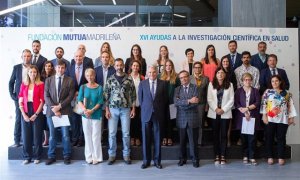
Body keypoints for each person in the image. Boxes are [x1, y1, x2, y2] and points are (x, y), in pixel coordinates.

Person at [104, 58, 136, 165]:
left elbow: (133, 95)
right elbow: (106, 95)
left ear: (123, 66)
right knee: (112, 133)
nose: (119, 67)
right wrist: (107, 110)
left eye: (121, 65)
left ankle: (126, 155)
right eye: (117, 65)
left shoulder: (129, 78)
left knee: (126, 133)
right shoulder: (110, 79)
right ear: (114, 66)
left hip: (126, 109)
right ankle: (111, 155)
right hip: (113, 109)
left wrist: (133, 109)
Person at [261, 75, 297, 166]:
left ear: (280, 82)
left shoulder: (286, 93)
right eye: (272, 81)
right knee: (269, 138)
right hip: (270, 118)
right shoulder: (267, 92)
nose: (274, 83)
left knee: (281, 138)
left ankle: (281, 157)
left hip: (283, 119)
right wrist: (264, 116)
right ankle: (270, 157)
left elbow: (291, 106)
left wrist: (291, 118)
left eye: (276, 81)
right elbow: (263, 105)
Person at [44, 60, 75, 165]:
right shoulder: (48, 80)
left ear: (65, 69)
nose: (60, 69)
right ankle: (51, 156)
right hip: (51, 112)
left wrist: (60, 107)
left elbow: (70, 96)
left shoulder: (70, 80)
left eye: (62, 68)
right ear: (55, 68)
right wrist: (54, 109)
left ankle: (67, 156)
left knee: (65, 135)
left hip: (64, 112)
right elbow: (46, 96)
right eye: (58, 67)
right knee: (52, 136)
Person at [138, 65, 169, 169]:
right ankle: (146, 161)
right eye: (150, 72)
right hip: (146, 114)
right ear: (147, 73)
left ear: (157, 72)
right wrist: (146, 109)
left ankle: (157, 161)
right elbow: (141, 99)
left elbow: (165, 100)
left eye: (154, 72)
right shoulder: (142, 84)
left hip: (158, 114)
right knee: (145, 138)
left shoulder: (163, 84)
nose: (152, 74)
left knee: (157, 138)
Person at [207, 67, 234, 165]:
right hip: (214, 113)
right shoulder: (211, 84)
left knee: (223, 135)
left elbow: (232, 99)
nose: (220, 74)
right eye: (218, 72)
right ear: (216, 74)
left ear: (225, 74)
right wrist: (216, 109)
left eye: (222, 73)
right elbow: (209, 99)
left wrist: (223, 109)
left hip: (225, 113)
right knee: (215, 135)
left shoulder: (230, 85)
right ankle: (216, 155)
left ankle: (223, 155)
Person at [18, 65, 44, 165]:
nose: (33, 74)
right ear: (28, 73)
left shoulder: (41, 84)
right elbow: (20, 98)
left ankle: (37, 156)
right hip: (25, 109)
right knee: (26, 135)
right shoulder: (24, 84)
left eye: (34, 72)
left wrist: (36, 114)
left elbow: (42, 101)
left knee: (37, 135)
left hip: (37, 109)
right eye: (31, 72)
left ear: (37, 73)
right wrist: (23, 114)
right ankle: (27, 157)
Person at [174, 70, 200, 168]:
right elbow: (176, 103)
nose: (183, 79)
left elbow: (196, 103)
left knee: (193, 142)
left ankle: (195, 160)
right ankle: (182, 159)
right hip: (181, 119)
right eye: (181, 78)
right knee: (182, 142)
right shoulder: (177, 89)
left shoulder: (195, 88)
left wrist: (182, 103)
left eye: (185, 77)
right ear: (179, 79)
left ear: (188, 77)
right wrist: (189, 101)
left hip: (192, 118)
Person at [78, 68, 104, 165]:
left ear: (94, 75)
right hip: (85, 115)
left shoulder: (100, 87)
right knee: (87, 136)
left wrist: (92, 110)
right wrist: (85, 110)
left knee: (96, 136)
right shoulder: (83, 87)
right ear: (85, 76)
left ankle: (97, 157)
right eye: (88, 75)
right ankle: (89, 157)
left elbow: (100, 102)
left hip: (96, 114)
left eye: (91, 75)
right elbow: (79, 100)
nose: (90, 77)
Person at [234, 73, 261, 165]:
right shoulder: (238, 91)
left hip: (253, 116)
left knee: (252, 138)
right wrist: (243, 111)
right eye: (245, 79)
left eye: (249, 79)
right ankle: (245, 156)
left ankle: (252, 156)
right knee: (244, 138)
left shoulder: (255, 91)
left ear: (251, 80)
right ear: (242, 81)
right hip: (242, 117)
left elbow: (257, 102)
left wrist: (248, 109)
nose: (247, 81)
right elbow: (236, 103)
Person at [9, 49, 32, 147]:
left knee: (30, 118)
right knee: (19, 118)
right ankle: (17, 140)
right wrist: (13, 95)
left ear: (31, 57)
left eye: (28, 56)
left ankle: (30, 140)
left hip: (31, 97)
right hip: (19, 97)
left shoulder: (34, 68)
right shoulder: (17, 68)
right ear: (22, 57)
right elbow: (11, 82)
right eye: (25, 56)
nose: (26, 58)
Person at [158, 59, 180, 146]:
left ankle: (170, 137)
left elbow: (178, 90)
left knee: (171, 121)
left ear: (172, 67)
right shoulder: (159, 76)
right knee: (162, 120)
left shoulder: (176, 77)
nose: (168, 67)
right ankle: (163, 137)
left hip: (172, 102)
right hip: (162, 103)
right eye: (166, 65)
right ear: (164, 67)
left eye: (170, 65)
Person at [69, 50, 89, 147]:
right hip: (72, 98)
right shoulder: (70, 68)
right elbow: (67, 83)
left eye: (80, 56)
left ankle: (82, 139)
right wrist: (74, 93)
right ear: (74, 57)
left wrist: (80, 93)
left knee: (83, 120)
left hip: (84, 98)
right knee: (74, 120)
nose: (78, 58)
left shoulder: (87, 69)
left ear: (83, 57)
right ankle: (75, 139)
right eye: (76, 56)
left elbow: (89, 82)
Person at [189, 62, 209, 145]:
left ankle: (199, 141)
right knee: (191, 123)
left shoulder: (206, 78)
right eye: (196, 67)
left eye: (199, 67)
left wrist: (207, 105)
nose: (197, 69)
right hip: (191, 104)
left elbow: (208, 92)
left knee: (200, 123)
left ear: (201, 68)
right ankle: (192, 140)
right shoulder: (189, 78)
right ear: (193, 68)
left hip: (202, 103)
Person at [128, 60, 145, 146]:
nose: (135, 67)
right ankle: (132, 137)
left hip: (139, 102)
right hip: (129, 103)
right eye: (134, 65)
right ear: (131, 67)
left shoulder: (142, 77)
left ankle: (137, 137)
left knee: (138, 121)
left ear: (139, 68)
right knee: (130, 121)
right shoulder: (126, 77)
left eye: (137, 66)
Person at [40, 61, 56, 146]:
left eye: (50, 66)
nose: (48, 68)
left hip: (51, 102)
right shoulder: (40, 77)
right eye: (46, 66)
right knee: (44, 122)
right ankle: (46, 139)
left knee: (52, 122)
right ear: (44, 67)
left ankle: (52, 139)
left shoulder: (54, 77)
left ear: (52, 67)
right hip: (42, 102)